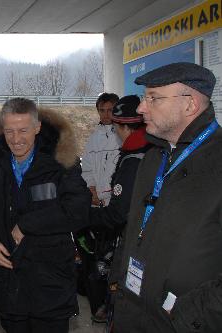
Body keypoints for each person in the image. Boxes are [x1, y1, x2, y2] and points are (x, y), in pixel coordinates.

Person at [112, 62, 222, 332]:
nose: (140, 108)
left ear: (190, 104)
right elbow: (134, 226)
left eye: (153, 98)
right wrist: (117, 277)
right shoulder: (153, 159)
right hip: (132, 312)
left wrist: (195, 315)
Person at [0, 97, 91, 333]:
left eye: (23, 130)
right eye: (9, 131)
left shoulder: (60, 163)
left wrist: (27, 224)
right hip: (7, 284)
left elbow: (79, 210)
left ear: (37, 128)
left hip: (50, 285)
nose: (15, 139)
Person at [86, 95, 151, 324]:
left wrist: (81, 215)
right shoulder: (150, 149)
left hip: (130, 236)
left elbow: (117, 214)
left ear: (123, 126)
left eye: (116, 125)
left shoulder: (132, 159)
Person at [78, 92, 120, 319]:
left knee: (115, 259)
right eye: (102, 110)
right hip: (97, 207)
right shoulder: (93, 137)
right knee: (96, 262)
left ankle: (115, 306)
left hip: (116, 207)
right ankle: (99, 308)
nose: (106, 115)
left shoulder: (123, 135)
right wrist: (91, 190)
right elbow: (87, 170)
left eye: (110, 110)